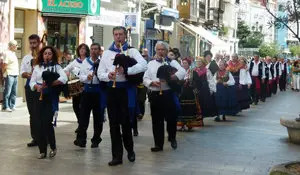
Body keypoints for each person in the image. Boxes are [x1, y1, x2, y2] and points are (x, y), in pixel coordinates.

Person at [98, 26, 147, 166]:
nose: (118, 37)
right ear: (113, 36)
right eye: (115, 34)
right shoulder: (107, 53)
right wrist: (108, 75)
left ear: (125, 36)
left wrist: (127, 70)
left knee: (126, 123)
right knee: (113, 124)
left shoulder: (131, 51)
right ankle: (117, 156)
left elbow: (144, 65)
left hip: (126, 90)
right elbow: (100, 73)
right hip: (112, 90)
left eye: (120, 34)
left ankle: (130, 150)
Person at [143, 41, 185, 152]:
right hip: (155, 94)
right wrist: (151, 83)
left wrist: (172, 77)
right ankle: (158, 144)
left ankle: (172, 137)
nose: (160, 52)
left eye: (163, 50)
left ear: (167, 51)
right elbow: (145, 78)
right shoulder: (151, 64)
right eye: (158, 50)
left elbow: (182, 72)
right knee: (157, 120)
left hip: (168, 93)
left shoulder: (171, 62)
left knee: (171, 118)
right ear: (155, 51)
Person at [29, 46, 67, 159]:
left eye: (49, 53)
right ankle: (42, 150)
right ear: (42, 55)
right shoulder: (37, 67)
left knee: (47, 122)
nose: (47, 55)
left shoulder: (56, 67)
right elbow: (32, 82)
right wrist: (36, 86)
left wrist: (53, 83)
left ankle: (53, 147)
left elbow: (64, 78)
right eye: (45, 53)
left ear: (53, 55)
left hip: (50, 97)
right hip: (39, 96)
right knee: (39, 123)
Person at [74, 43, 105, 149]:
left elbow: (106, 77)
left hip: (98, 92)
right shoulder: (85, 63)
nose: (93, 51)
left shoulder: (102, 63)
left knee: (98, 118)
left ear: (99, 51)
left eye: (96, 49)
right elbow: (80, 76)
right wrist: (86, 77)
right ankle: (81, 139)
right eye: (92, 49)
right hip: (87, 91)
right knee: (83, 116)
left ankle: (96, 139)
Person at [20, 34, 40, 147]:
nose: (32, 45)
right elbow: (22, 72)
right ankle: (35, 138)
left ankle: (44, 137)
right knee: (32, 113)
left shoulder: (44, 56)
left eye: (34, 43)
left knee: (41, 113)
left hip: (41, 87)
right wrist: (28, 75)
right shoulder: (26, 58)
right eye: (31, 43)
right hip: (29, 87)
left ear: (38, 43)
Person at [64, 44, 90, 133]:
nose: (82, 50)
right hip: (76, 86)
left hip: (86, 85)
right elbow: (66, 69)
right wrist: (66, 73)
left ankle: (82, 125)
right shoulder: (75, 61)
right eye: (80, 49)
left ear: (87, 50)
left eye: (84, 48)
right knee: (75, 106)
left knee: (84, 106)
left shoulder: (89, 60)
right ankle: (80, 122)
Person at [177, 57, 203, 130]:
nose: (184, 64)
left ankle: (189, 124)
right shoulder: (179, 72)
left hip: (190, 94)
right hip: (181, 94)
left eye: (185, 63)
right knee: (181, 109)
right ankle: (182, 125)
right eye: (183, 63)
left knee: (189, 109)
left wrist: (193, 86)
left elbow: (199, 83)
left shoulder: (193, 72)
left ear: (189, 64)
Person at [2, 40, 19, 112]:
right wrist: (4, 74)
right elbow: (4, 65)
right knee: (7, 91)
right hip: (9, 74)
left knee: (14, 92)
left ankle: (12, 105)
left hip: (15, 74)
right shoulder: (7, 53)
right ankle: (5, 106)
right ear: (11, 46)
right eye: (16, 45)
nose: (17, 46)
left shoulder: (13, 53)